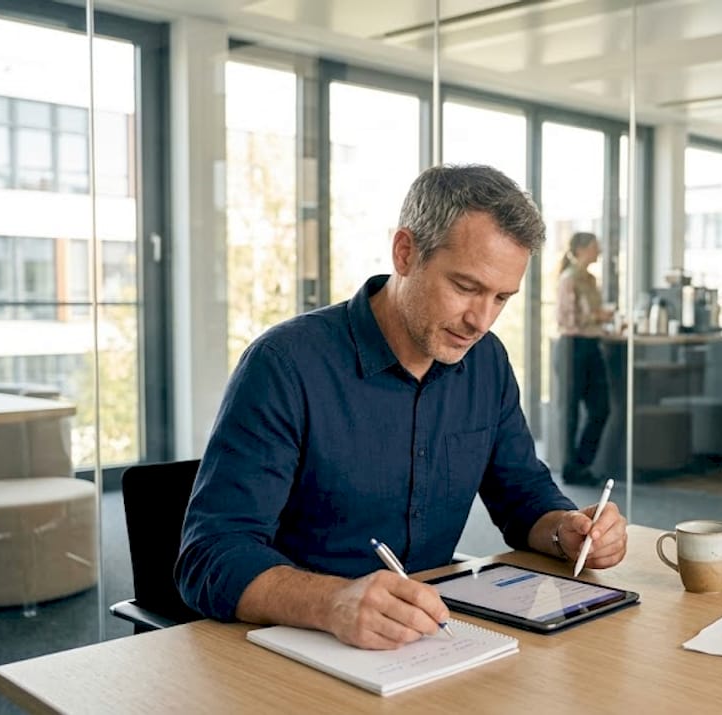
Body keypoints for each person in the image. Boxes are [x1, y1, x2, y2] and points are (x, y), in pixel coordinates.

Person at [176, 165, 628, 649]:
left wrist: (568, 531)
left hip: (429, 638)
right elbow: (211, 556)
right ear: (405, 252)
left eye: (501, 298)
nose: (480, 320)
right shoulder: (285, 365)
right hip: (301, 645)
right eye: (467, 288)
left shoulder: (487, 361)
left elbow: (523, 496)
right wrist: (333, 602)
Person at [555, 232, 613, 485]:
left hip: (592, 345)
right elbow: (567, 320)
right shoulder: (569, 279)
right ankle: (572, 469)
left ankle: (581, 463)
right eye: (594, 247)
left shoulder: (590, 279)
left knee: (601, 407)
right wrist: (599, 317)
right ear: (580, 250)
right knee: (570, 411)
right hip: (573, 345)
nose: (599, 251)